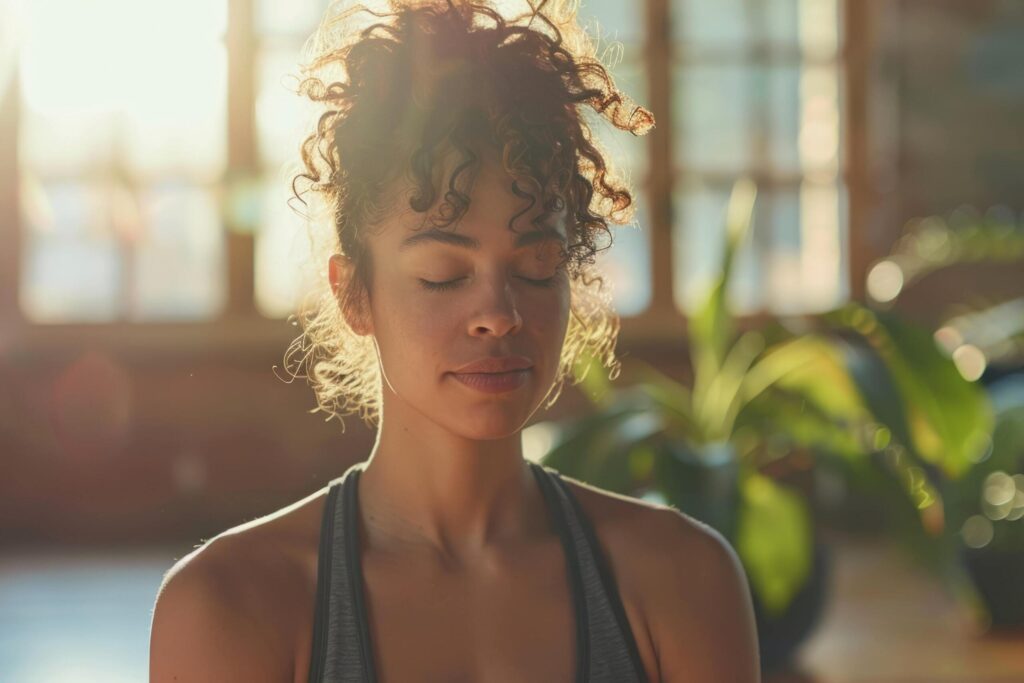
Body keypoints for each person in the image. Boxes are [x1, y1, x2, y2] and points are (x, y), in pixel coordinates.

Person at [149, 1, 760, 681]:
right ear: (355, 293)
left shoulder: (682, 581)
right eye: (444, 274)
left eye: (535, 268)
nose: (497, 315)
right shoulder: (230, 607)